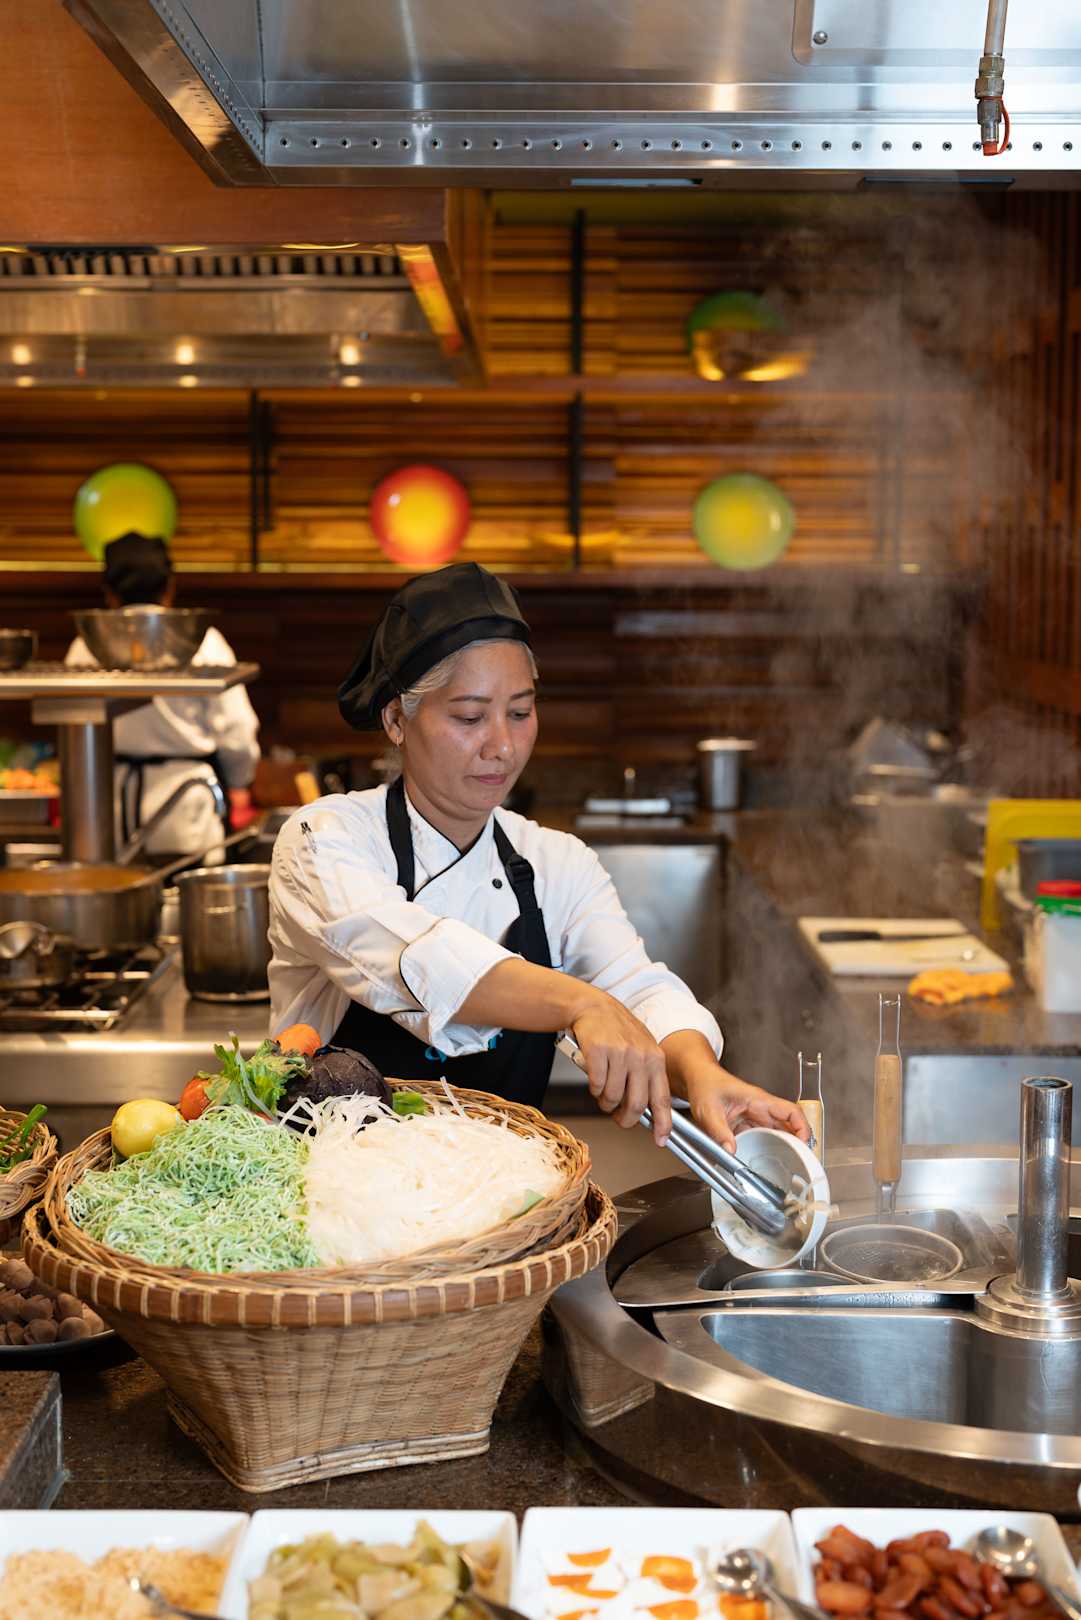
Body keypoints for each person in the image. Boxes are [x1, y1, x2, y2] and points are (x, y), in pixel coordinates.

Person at [268, 562, 807, 1150]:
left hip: (506, 1192)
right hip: (325, 1185)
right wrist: (579, 1002)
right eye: (470, 717)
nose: (502, 745)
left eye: (521, 713)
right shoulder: (324, 838)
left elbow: (637, 988)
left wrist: (703, 1075)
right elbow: (419, 960)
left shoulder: (555, 862)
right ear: (397, 719)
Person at [65, 532, 261, 857]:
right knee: (189, 888)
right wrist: (240, 782)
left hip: (108, 806)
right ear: (169, 587)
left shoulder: (86, 645)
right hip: (185, 804)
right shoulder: (203, 641)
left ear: (109, 593)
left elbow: (72, 733)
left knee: (115, 889)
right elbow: (237, 728)